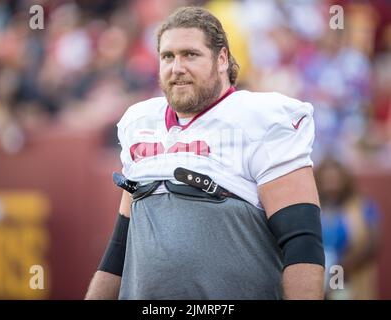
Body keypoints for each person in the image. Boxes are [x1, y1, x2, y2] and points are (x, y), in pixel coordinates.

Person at [85, 6, 325, 300]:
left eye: (190, 54)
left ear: (222, 59)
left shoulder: (263, 120)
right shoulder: (140, 122)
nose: (177, 67)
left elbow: (302, 242)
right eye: (168, 56)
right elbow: (120, 248)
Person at [315, 157, 381, 300]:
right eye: (327, 179)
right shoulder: (313, 207)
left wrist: (343, 266)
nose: (331, 184)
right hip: (318, 274)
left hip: (351, 275)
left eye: (335, 178)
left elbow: (372, 243)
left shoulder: (361, 206)